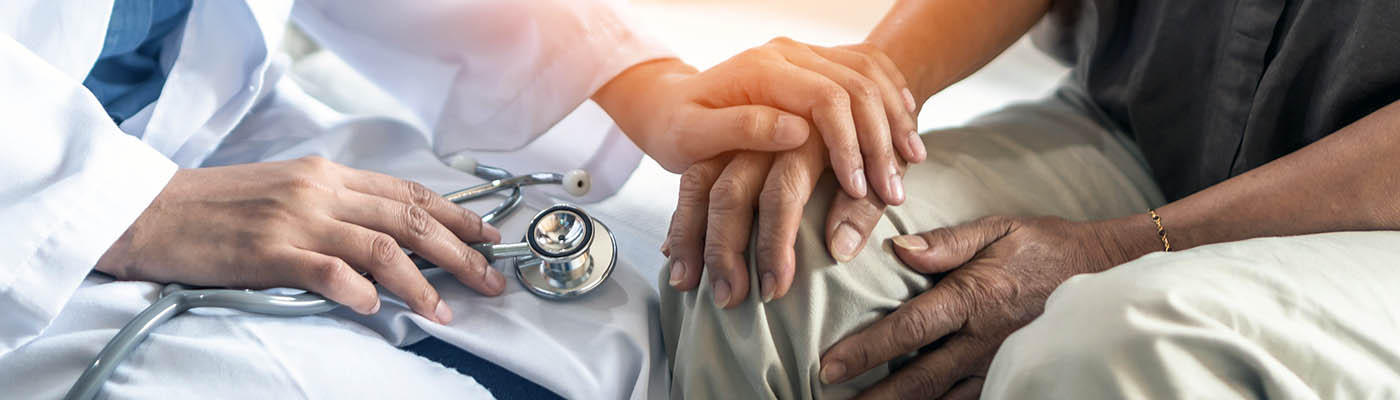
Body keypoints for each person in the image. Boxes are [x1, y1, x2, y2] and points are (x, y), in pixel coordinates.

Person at [0, 0, 922, 398]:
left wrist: (643, 82)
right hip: (33, 196)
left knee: (646, 319)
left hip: (208, 117)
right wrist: (132, 206)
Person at [659, 0, 1400, 398]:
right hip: (1144, 121)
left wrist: (1116, 251)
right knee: (782, 251)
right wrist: (866, 93)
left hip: (1374, 220)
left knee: (1114, 349)